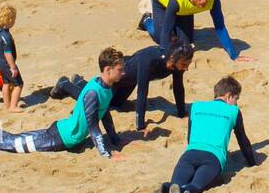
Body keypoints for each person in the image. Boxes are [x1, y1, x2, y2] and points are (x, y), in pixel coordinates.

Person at [0, 48, 128, 159]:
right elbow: (93, 126)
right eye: (120, 69)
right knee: (10, 143)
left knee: (11, 141)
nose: (124, 73)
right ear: (108, 70)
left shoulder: (107, 88)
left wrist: (115, 139)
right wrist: (108, 154)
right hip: (59, 138)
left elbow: (105, 114)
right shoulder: (93, 92)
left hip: (62, 132)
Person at [148, 75, 259, 193]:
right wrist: (252, 163)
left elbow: (189, 137)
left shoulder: (196, 107)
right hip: (213, 158)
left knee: (174, 185)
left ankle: (163, 188)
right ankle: (181, 192)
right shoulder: (234, 112)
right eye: (236, 99)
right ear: (228, 95)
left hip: (190, 154)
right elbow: (243, 142)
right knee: (195, 187)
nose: (236, 104)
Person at [52, 43, 193, 132]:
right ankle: (65, 84)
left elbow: (178, 87)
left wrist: (181, 113)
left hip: (129, 82)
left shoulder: (176, 66)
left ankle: (79, 82)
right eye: (184, 64)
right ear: (174, 59)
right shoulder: (150, 60)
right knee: (96, 99)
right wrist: (140, 125)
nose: (186, 68)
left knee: (116, 104)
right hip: (118, 77)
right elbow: (142, 91)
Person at [138, 0, 252, 63]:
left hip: (183, 1)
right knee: (162, 37)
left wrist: (234, 54)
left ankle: (176, 22)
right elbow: (166, 30)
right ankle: (147, 20)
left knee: (186, 43)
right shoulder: (176, 1)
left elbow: (220, 27)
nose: (204, 1)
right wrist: (164, 56)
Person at [0, 4, 22, 112]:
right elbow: (8, 53)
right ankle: (13, 106)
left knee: (6, 83)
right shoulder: (6, 37)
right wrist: (13, 67)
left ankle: (7, 104)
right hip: (7, 64)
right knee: (19, 84)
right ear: (9, 20)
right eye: (14, 18)